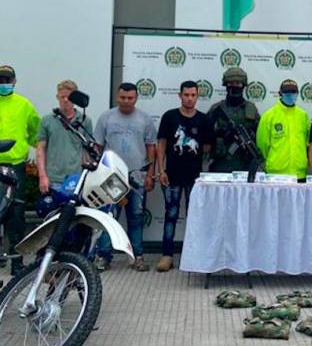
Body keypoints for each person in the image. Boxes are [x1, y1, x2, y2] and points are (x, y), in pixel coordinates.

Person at [93, 82, 156, 272]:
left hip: (137, 175)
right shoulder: (106, 117)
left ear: (136, 98)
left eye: (130, 98)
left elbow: (151, 147)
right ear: (117, 97)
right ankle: (104, 256)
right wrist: (97, 172)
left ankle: (137, 256)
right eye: (123, 97)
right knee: (109, 216)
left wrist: (150, 174)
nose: (126, 101)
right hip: (112, 175)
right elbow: (97, 146)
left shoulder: (145, 119)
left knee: (136, 217)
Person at [154, 80, 214, 272]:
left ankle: (193, 255)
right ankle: (167, 255)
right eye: (186, 95)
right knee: (170, 214)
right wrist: (161, 170)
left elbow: (207, 147)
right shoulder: (169, 117)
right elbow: (161, 144)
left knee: (194, 217)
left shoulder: (204, 120)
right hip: (171, 175)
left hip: (195, 179)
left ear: (197, 96)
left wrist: (202, 173)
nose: (189, 99)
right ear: (179, 95)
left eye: (193, 95)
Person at [0, 65, 40, 275]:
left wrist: (40, 156)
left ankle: (17, 261)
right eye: (0, 79)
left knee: (16, 213)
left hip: (15, 167)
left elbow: (36, 133)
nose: (3, 83)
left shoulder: (24, 105)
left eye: (7, 80)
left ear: (14, 81)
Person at [36, 80, 93, 195]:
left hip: (75, 179)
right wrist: (42, 177)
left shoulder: (84, 121)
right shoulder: (47, 120)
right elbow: (40, 149)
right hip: (53, 179)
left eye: (69, 97)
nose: (65, 100)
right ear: (57, 97)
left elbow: (87, 152)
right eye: (62, 97)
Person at [206, 67, 260, 173]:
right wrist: (220, 133)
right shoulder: (217, 108)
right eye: (231, 83)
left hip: (244, 164)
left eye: (238, 83)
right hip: (221, 163)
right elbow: (204, 134)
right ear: (226, 85)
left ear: (243, 85)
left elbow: (260, 135)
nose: (234, 86)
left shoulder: (251, 109)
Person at [257, 79, 310, 180]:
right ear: (280, 93)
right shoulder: (269, 116)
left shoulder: (303, 115)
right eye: (287, 92)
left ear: (298, 93)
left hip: (299, 173)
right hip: (276, 174)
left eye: (293, 92)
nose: (290, 95)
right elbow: (262, 145)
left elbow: (307, 143)